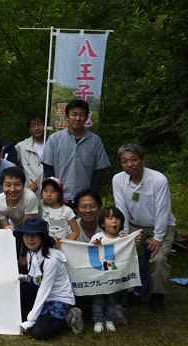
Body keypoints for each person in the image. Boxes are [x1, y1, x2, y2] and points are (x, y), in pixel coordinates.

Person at [112, 143, 176, 313]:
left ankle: (157, 294)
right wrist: (124, 234)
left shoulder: (158, 180)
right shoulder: (118, 179)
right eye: (124, 161)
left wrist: (158, 237)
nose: (129, 164)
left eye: (133, 160)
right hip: (134, 225)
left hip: (161, 225)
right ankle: (132, 290)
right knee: (126, 252)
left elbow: (163, 210)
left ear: (143, 160)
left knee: (158, 258)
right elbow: (121, 209)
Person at [16, 218, 83, 339]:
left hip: (58, 298)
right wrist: (25, 278)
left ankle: (71, 316)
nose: (29, 239)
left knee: (39, 332)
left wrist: (30, 321)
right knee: (20, 289)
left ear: (42, 237)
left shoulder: (51, 260)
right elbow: (37, 278)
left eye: (34, 235)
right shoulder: (31, 252)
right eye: (27, 235)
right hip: (41, 293)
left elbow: (44, 289)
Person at [40, 100, 110, 203]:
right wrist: (56, 194)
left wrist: (91, 195)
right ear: (67, 116)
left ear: (86, 117)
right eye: (74, 114)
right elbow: (48, 168)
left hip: (85, 201)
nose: (78, 118)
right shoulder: (54, 139)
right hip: (60, 199)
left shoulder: (95, 141)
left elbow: (99, 172)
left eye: (82, 115)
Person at [89, 207, 131, 333]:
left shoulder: (122, 238)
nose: (114, 221)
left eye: (117, 218)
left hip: (114, 277)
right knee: (98, 300)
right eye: (110, 218)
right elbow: (89, 252)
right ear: (102, 223)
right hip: (99, 276)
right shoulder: (98, 236)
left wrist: (129, 241)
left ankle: (109, 320)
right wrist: (95, 244)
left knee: (112, 300)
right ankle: (98, 320)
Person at [39, 177, 80, 242]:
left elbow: (76, 231)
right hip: (45, 245)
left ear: (60, 194)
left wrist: (66, 243)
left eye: (53, 191)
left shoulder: (67, 210)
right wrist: (34, 190)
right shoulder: (42, 204)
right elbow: (34, 199)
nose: (48, 194)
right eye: (45, 191)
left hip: (60, 245)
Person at [15, 112, 46, 197]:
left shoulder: (52, 145)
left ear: (46, 126)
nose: (36, 128)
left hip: (48, 194)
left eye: (39, 124)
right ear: (29, 129)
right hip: (28, 193)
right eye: (33, 125)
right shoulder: (21, 147)